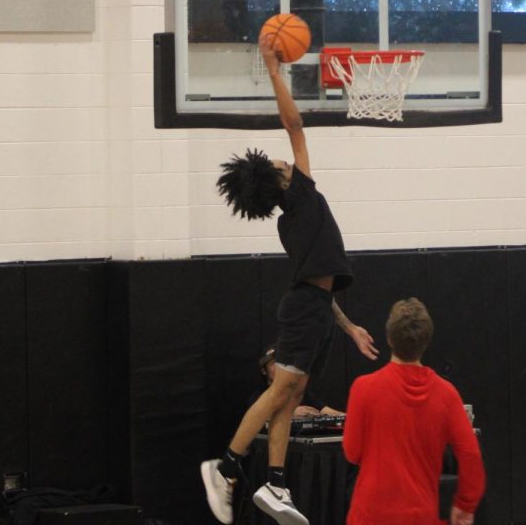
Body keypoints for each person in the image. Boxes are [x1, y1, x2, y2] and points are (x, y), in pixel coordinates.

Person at [201, 30, 380, 525]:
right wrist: (275, 69)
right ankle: (226, 467)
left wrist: (349, 328)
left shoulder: (293, 215)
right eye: (279, 161)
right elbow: (294, 123)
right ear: (279, 179)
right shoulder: (298, 195)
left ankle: (276, 484)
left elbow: (321, 283)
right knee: (282, 393)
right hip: (304, 309)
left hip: (313, 307)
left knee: (294, 394)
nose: (284, 156)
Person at [342, 297, 485, 525]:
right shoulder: (447, 394)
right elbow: (471, 454)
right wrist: (465, 504)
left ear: (389, 338)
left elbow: (352, 452)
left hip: (370, 514)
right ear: (426, 342)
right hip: (420, 514)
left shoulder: (364, 388)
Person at [259, 345, 343, 418]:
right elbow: (258, 418)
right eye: (273, 363)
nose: (279, 368)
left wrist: (348, 417)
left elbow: (326, 410)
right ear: (264, 370)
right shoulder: (259, 396)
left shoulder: (299, 392)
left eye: (282, 363)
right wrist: (291, 412)